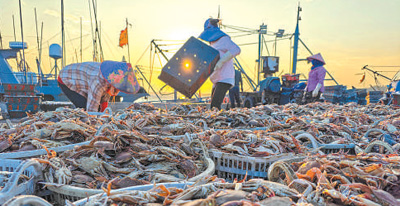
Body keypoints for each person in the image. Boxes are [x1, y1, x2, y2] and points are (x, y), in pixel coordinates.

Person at [57, 61, 140, 112]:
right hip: (66, 78)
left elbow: (104, 98)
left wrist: (103, 114)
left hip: (84, 77)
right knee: (84, 107)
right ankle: (82, 127)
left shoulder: (110, 77)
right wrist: (95, 126)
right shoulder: (98, 81)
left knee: (95, 105)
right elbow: (91, 109)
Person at [199, 18, 241, 110]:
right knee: (213, 107)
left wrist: (221, 61)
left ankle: (219, 123)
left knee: (215, 106)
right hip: (216, 80)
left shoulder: (223, 39)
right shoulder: (212, 44)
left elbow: (236, 49)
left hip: (224, 79)